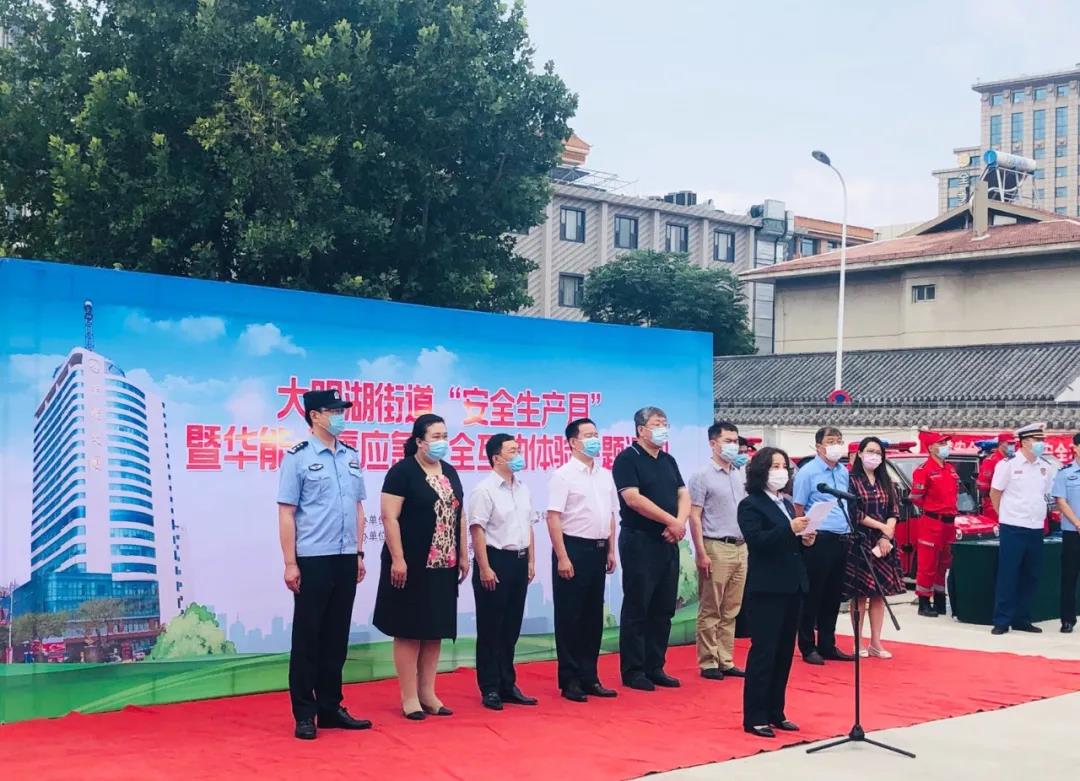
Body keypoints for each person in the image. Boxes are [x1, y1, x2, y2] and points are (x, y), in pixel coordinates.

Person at [277, 389, 371, 740]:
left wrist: (359, 553)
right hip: (313, 557)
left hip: (346, 556)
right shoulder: (298, 457)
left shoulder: (350, 456)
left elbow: (358, 508)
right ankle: (305, 712)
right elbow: (286, 512)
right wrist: (290, 563)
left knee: (336, 637)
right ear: (315, 415)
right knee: (308, 637)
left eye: (342, 411)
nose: (340, 416)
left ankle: (331, 708)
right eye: (333, 411)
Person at [373, 413, 469, 718]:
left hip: (443, 563)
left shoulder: (450, 472)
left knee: (434, 629)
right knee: (409, 629)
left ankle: (428, 692)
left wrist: (463, 555)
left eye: (445, 436)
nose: (442, 442)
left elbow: (460, 515)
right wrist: (398, 558)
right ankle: (409, 697)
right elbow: (389, 517)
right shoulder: (402, 472)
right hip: (411, 563)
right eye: (435, 437)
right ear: (419, 441)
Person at [738, 446, 814, 738]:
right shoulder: (751, 505)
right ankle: (755, 715)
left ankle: (776, 711)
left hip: (792, 584)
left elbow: (788, 542)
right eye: (775, 466)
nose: (781, 472)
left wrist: (804, 539)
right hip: (767, 587)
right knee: (764, 651)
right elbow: (758, 540)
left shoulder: (786, 503)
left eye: (784, 467)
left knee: (784, 652)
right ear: (761, 471)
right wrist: (790, 530)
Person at [613, 406, 690, 690]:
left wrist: (679, 523)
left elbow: (683, 494)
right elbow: (633, 499)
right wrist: (671, 521)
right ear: (641, 429)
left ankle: (655, 666)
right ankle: (634, 670)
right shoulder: (627, 459)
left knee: (663, 607)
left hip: (669, 540)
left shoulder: (668, 460)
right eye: (657, 424)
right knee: (638, 605)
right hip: (640, 540)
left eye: (665, 424)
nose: (663, 429)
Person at [547, 418, 619, 702]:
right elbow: (554, 517)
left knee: (592, 617)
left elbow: (610, 515)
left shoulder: (605, 475)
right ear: (573, 443)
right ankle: (570, 680)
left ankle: (590, 676)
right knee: (570, 616)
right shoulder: (563, 475)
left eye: (596, 434)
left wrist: (611, 550)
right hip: (573, 549)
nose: (594, 439)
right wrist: (562, 556)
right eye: (588, 435)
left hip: (598, 549)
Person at [469, 433, 538, 710]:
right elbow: (477, 530)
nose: (518, 454)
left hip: (519, 561)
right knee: (491, 628)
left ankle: (508, 684)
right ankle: (490, 688)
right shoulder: (484, 490)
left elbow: (528, 526)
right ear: (496, 458)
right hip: (495, 561)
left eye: (518, 449)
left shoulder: (522, 488)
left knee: (511, 628)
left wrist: (531, 561)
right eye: (512, 451)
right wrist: (485, 567)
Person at [689, 420, 748, 680]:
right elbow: (694, 515)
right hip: (715, 545)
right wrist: (701, 552)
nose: (733, 445)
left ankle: (726, 659)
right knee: (711, 607)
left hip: (740, 546)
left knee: (731, 608)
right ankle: (708, 661)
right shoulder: (702, 475)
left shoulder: (739, 473)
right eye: (727, 441)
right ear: (713, 444)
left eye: (735, 441)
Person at [792, 427, 856, 665]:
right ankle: (807, 645)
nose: (836, 445)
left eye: (839, 441)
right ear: (819, 446)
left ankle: (827, 644)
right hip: (818, 538)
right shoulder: (808, 472)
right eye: (831, 441)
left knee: (833, 594)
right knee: (813, 594)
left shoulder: (842, 471)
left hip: (842, 536)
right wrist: (804, 535)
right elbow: (798, 507)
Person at [843, 438, 906, 658]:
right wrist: (881, 528)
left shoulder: (886, 481)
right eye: (870, 451)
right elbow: (854, 512)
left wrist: (886, 534)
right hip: (861, 541)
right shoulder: (851, 480)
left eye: (878, 452)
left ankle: (876, 642)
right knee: (860, 595)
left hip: (884, 543)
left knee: (879, 594)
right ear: (860, 454)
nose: (874, 456)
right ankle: (858, 641)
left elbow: (894, 511)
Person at [990, 422, 1054, 635]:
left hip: (1035, 527)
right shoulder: (1008, 464)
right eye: (1037, 440)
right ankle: (1002, 619)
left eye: (1042, 440)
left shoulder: (1045, 466)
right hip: (1013, 527)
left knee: (1031, 574)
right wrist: (1003, 515)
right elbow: (995, 492)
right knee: (1008, 574)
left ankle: (1022, 618)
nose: (1041, 444)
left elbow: (1044, 494)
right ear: (1025, 442)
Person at [909, 431, 959, 617]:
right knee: (927, 564)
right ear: (930, 447)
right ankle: (923, 602)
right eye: (941, 443)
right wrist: (932, 508)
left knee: (944, 563)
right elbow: (916, 497)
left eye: (946, 443)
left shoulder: (950, 469)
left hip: (949, 523)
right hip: (932, 522)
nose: (946, 447)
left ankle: (939, 600)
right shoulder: (924, 470)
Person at [1052, 433, 1080, 634]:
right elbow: (1061, 501)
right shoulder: (1065, 473)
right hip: (1072, 533)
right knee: (1069, 577)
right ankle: (1067, 619)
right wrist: (1078, 523)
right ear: (1075, 448)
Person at [977, 433, 1015, 520]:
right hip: (993, 506)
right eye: (1009, 444)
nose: (1012, 446)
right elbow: (982, 487)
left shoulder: (1013, 460)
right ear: (1001, 443)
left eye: (1013, 444)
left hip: (1012, 506)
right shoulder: (991, 461)